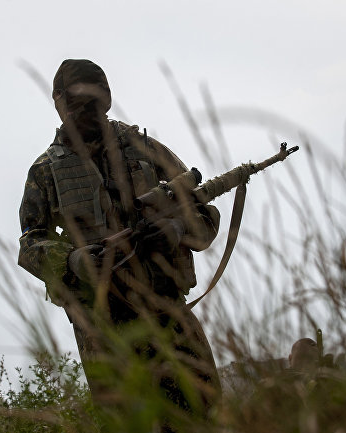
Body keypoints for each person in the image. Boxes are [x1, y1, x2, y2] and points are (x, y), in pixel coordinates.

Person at [18, 59, 221, 431]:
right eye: (78, 104)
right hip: (103, 328)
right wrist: (74, 261)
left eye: (97, 103)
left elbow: (205, 217)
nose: (89, 114)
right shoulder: (46, 170)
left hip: (168, 313)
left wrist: (175, 229)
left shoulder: (145, 149)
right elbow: (30, 244)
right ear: (59, 102)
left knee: (203, 413)